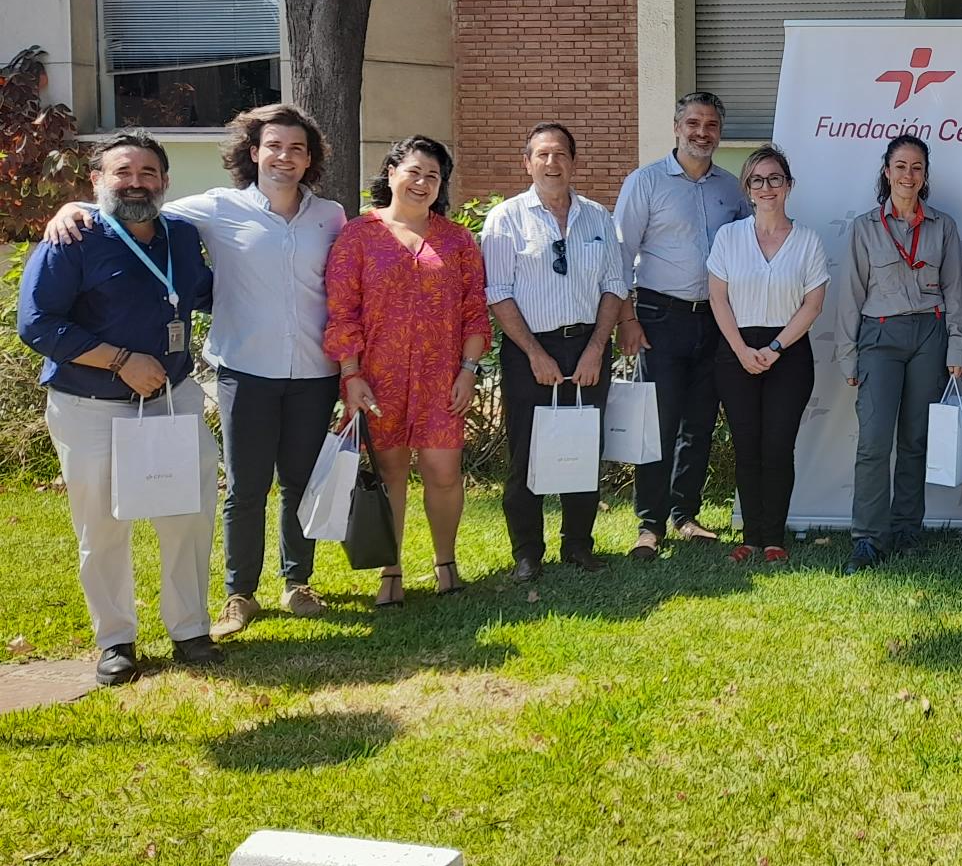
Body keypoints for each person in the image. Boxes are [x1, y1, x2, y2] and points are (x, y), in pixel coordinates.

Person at [41, 104, 347, 638]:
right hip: (244, 369)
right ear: (254, 153)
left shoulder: (332, 216)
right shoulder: (215, 207)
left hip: (314, 369)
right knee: (245, 486)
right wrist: (73, 206)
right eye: (274, 145)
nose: (284, 156)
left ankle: (297, 580)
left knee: (300, 480)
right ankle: (239, 593)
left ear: (309, 159)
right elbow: (131, 209)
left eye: (297, 148)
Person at [19, 133, 220, 685]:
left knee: (187, 514)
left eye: (149, 173)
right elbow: (37, 324)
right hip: (91, 407)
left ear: (166, 182)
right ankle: (116, 640)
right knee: (103, 527)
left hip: (172, 401)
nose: (136, 182)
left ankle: (189, 628)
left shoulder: (180, 235)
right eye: (122, 172)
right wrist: (120, 359)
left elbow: (203, 292)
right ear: (96, 182)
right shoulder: (74, 237)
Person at [325, 136, 489, 606]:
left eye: (433, 176)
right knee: (390, 472)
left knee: (443, 471)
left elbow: (475, 312)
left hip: (444, 377)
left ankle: (446, 564)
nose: (422, 183)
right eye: (414, 171)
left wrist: (469, 369)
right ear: (392, 172)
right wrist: (351, 375)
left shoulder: (457, 240)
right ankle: (391, 570)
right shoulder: (358, 235)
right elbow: (343, 313)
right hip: (379, 377)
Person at [481, 123, 627, 581]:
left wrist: (597, 348)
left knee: (585, 445)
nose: (551, 163)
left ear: (573, 162)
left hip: (587, 346)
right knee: (527, 450)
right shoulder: (506, 219)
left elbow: (615, 285)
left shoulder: (599, 218)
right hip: (531, 349)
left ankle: (579, 544)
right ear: (527, 163)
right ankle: (527, 551)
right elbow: (498, 292)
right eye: (541, 155)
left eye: (560, 154)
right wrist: (533, 353)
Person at [613, 90, 749, 558]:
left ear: (719, 132)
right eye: (693, 123)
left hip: (714, 319)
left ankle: (684, 515)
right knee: (659, 421)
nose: (701, 133)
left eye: (710, 125)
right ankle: (650, 524)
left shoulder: (732, 189)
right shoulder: (645, 183)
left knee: (699, 421)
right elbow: (618, 256)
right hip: (658, 316)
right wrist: (626, 317)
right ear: (676, 127)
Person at [833, 134, 962, 574]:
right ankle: (868, 540)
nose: (908, 175)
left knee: (915, 440)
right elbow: (851, 294)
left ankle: (908, 530)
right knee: (874, 443)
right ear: (886, 171)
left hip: (929, 335)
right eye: (900, 166)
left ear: (925, 175)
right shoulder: (865, 228)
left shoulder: (942, 226)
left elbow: (954, 291)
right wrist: (848, 354)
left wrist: (956, 345)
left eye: (917, 167)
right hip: (881, 337)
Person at [707, 146, 829, 564]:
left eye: (775, 178)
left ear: (788, 185)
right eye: (757, 180)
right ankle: (751, 536)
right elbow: (718, 299)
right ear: (747, 188)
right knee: (747, 446)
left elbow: (812, 305)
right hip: (736, 353)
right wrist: (741, 350)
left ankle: (774, 537)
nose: (767, 187)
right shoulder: (728, 237)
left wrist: (775, 349)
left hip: (788, 356)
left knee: (778, 448)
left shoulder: (808, 241)